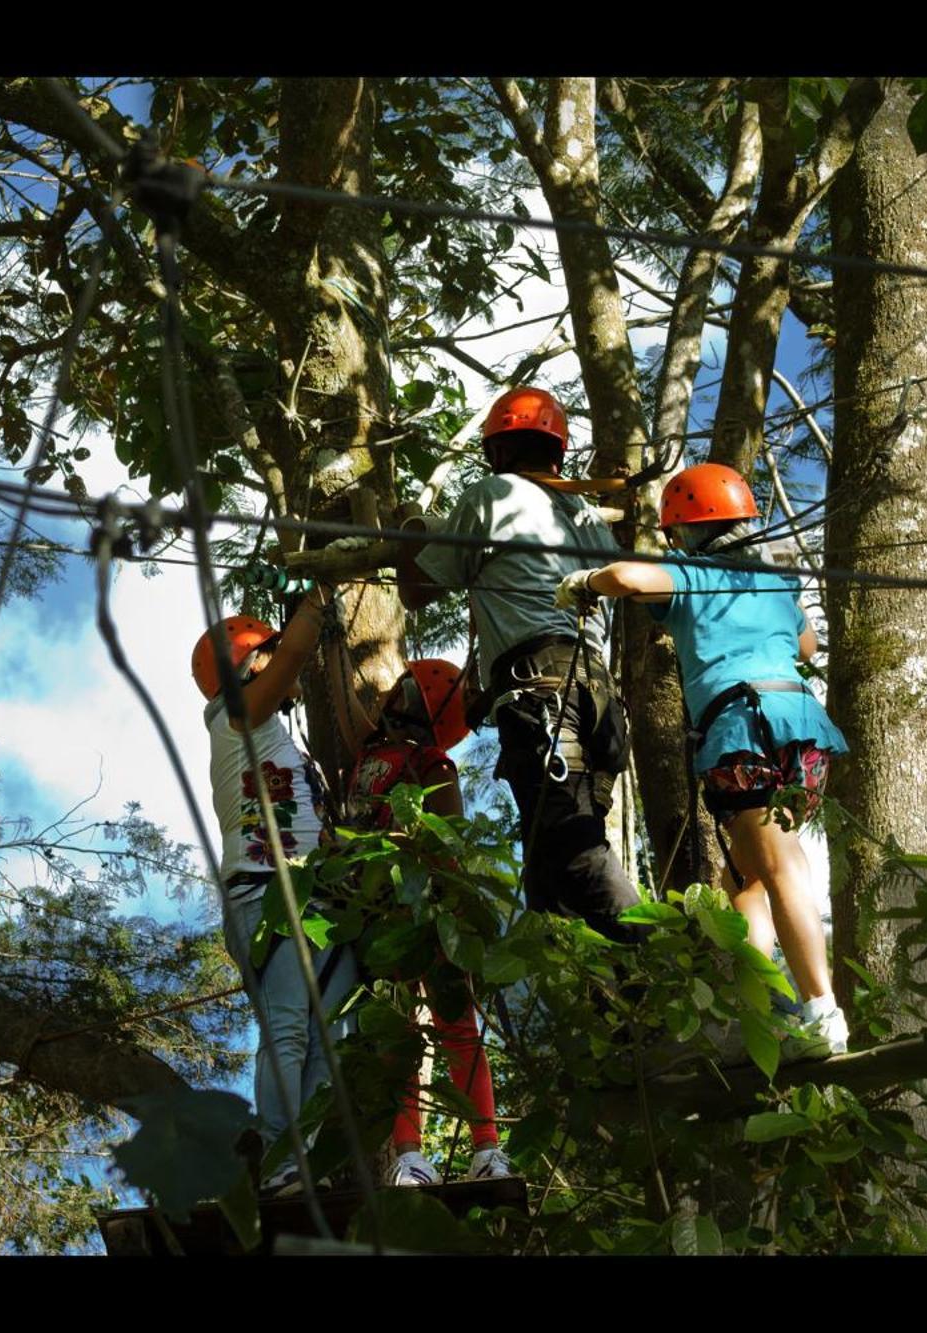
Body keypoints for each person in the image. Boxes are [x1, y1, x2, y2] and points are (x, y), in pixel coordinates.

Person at [552, 462, 852, 1055]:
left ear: (685, 529)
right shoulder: (774, 581)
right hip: (803, 729)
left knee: (779, 861)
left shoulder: (691, 571)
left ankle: (821, 1010)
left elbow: (630, 581)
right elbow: (806, 643)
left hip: (742, 728)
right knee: (744, 883)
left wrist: (585, 581)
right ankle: (767, 1011)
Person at [397, 386, 645, 943]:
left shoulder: (494, 494)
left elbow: (417, 592)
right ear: (556, 451)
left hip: (544, 696)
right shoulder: (587, 515)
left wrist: (408, 532)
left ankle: (673, 968)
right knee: (551, 883)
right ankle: (621, 1012)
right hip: (598, 703)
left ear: (497, 452)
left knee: (577, 861)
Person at [192, 592, 357, 1193]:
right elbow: (289, 661)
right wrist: (311, 611)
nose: (275, 664)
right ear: (244, 665)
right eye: (262, 653)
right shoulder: (230, 713)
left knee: (331, 1036)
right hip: (265, 889)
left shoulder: (275, 736)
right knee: (288, 1025)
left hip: (317, 896)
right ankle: (282, 1161)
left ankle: (306, 1162)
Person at [325, 655, 510, 1186]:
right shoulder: (369, 749)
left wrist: (376, 846)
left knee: (455, 1024)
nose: (390, 694)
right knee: (397, 1032)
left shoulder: (432, 761)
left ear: (419, 703)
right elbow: (342, 708)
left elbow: (445, 833)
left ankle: (487, 1147)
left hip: (427, 906)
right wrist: (328, 626)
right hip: (379, 909)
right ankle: (409, 1154)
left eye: (404, 687)